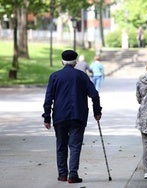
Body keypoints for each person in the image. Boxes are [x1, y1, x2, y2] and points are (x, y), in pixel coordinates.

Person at [42, 50, 102, 183]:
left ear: (62, 62)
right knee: (75, 145)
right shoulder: (82, 76)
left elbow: (48, 99)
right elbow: (94, 94)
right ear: (75, 62)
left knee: (61, 145)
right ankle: (73, 175)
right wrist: (97, 111)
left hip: (60, 116)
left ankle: (63, 174)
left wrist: (47, 117)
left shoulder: (55, 76)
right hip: (78, 116)